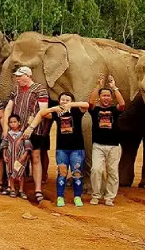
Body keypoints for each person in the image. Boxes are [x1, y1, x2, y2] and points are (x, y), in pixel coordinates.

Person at [28, 91, 89, 207]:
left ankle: (77, 197)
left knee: (77, 173)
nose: (64, 102)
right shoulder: (57, 113)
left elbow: (86, 105)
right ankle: (60, 197)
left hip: (77, 148)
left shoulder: (77, 111)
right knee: (62, 173)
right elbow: (42, 113)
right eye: (62, 99)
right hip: (61, 149)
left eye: (67, 100)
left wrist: (71, 105)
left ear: (71, 101)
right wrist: (54, 109)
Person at [3, 66, 49, 204]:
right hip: (17, 131)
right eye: (16, 76)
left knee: (35, 157)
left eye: (19, 76)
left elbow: (43, 111)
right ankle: (14, 186)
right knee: (15, 157)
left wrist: (31, 128)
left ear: (28, 76)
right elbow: (9, 108)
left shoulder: (40, 90)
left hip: (35, 131)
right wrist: (6, 128)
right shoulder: (16, 89)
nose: (17, 79)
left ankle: (38, 189)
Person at [88, 75, 125, 206]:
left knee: (113, 172)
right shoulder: (95, 110)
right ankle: (96, 195)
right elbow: (90, 102)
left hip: (114, 146)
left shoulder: (115, 110)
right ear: (100, 98)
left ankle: (109, 197)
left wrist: (114, 87)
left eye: (108, 96)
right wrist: (98, 86)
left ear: (111, 98)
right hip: (98, 145)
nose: (106, 98)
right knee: (96, 170)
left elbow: (122, 104)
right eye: (103, 95)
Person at [1, 114, 32, 200]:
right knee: (10, 173)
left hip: (20, 159)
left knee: (21, 174)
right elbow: (4, 146)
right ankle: (12, 189)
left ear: (19, 123)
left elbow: (27, 147)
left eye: (15, 122)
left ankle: (21, 190)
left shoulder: (23, 135)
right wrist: (4, 155)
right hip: (10, 158)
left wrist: (24, 156)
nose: (13, 124)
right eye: (11, 122)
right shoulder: (7, 135)